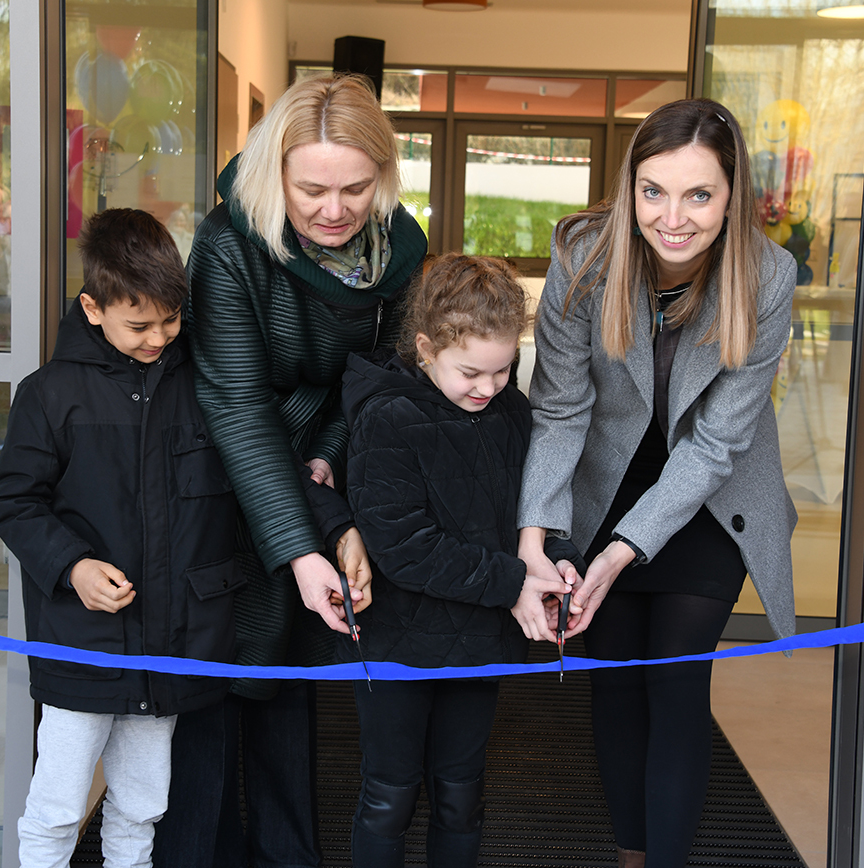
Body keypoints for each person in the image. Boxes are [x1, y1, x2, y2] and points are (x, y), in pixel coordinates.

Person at [155, 73, 429, 868]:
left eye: (355, 187)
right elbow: (235, 402)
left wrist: (326, 463)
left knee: (287, 674)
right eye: (311, 188)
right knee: (215, 677)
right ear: (276, 172)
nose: (333, 210)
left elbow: (382, 372)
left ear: (384, 177)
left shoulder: (401, 248)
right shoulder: (229, 240)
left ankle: (287, 854)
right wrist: (304, 544)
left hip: (315, 465)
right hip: (220, 469)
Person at [516, 98, 798, 868]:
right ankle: (629, 855)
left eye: (699, 194)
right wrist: (535, 540)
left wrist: (617, 558)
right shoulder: (584, 254)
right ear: (629, 186)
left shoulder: (768, 276)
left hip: (709, 494)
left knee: (674, 683)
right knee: (612, 683)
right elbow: (560, 408)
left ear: (732, 195)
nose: (673, 218)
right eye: (654, 191)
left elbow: (716, 443)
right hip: (605, 482)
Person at [0, 208, 242, 868]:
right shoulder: (48, 394)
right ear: (92, 308)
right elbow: (14, 502)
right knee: (58, 806)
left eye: (171, 320)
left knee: (142, 803)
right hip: (82, 646)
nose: (159, 336)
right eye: (140, 324)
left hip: (171, 644)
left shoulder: (201, 386)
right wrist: (72, 566)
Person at [339, 253, 580, 867]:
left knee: (461, 794)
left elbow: (534, 508)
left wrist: (558, 560)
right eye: (471, 371)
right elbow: (403, 550)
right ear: (425, 348)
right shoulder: (387, 419)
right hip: (397, 646)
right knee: (389, 797)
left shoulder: (513, 413)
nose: (489, 388)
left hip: (479, 645)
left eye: (503, 371)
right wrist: (514, 581)